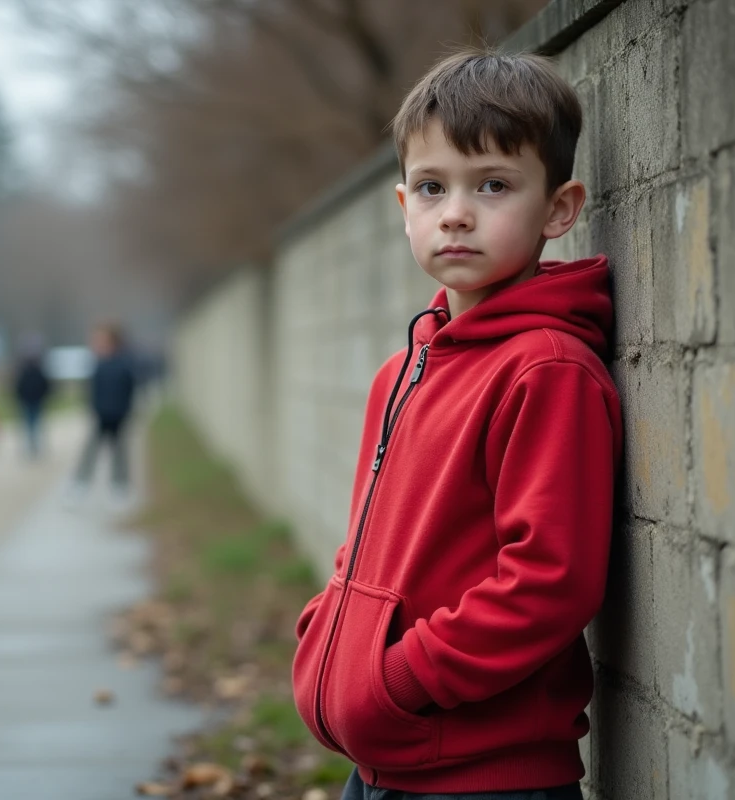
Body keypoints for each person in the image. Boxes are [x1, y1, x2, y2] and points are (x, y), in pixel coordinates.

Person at [292, 50, 623, 800]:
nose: (457, 213)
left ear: (559, 209)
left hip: (483, 775)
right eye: (433, 187)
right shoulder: (402, 370)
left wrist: (398, 677)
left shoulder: (546, 370)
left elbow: (549, 582)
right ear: (404, 205)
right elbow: (369, 542)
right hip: (383, 763)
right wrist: (328, 633)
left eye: (494, 186)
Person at [70, 321, 137, 504]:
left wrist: (125, 412)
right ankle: (80, 485)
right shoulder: (96, 365)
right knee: (90, 452)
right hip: (100, 416)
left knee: (119, 454)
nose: (96, 344)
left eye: (101, 340)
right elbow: (92, 391)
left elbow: (130, 390)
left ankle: (120, 487)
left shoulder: (124, 364)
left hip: (118, 416)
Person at [11, 333, 52, 458]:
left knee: (32, 424)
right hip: (29, 400)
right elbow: (18, 386)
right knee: (31, 424)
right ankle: (32, 446)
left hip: (34, 400)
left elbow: (45, 385)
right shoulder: (29, 368)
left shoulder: (33, 368)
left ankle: (33, 446)